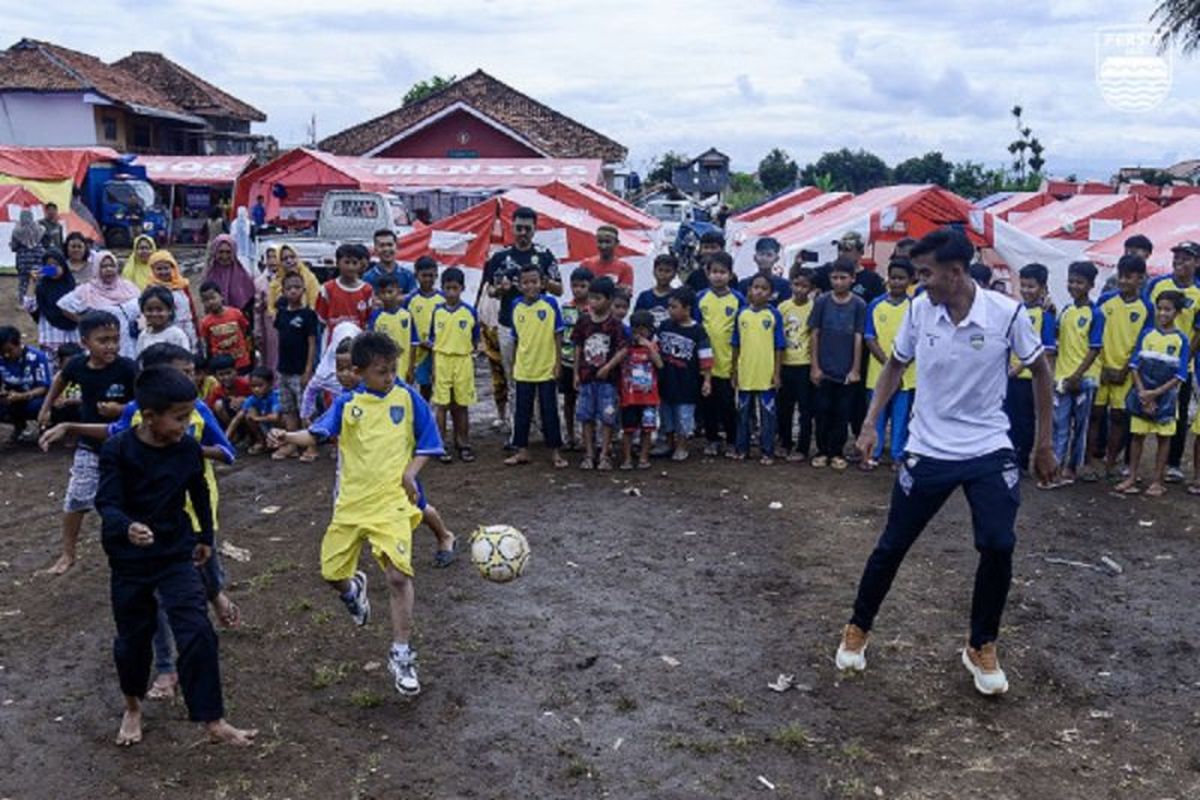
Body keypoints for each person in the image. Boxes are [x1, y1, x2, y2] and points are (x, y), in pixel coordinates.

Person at [836, 227, 1056, 697]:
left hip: (988, 448)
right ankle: (858, 626)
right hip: (929, 448)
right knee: (893, 544)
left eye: (925, 273)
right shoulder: (920, 310)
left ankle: (981, 645)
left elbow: (1040, 369)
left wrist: (1044, 444)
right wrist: (872, 423)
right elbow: (895, 363)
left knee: (998, 544)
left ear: (955, 273)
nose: (918, 283)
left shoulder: (1006, 314)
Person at [39, 343, 241, 699]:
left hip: (191, 515)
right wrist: (71, 425)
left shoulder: (194, 416)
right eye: (179, 372)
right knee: (153, 607)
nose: (188, 378)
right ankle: (165, 669)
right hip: (141, 533)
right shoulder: (134, 419)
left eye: (190, 372)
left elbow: (227, 452)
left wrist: (185, 450)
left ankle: (217, 597)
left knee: (203, 576)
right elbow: (113, 442)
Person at [270, 331, 443, 696]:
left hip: (392, 504)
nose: (390, 377)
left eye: (393, 369)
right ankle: (352, 590)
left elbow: (429, 443)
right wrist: (288, 437)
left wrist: (410, 472)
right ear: (359, 371)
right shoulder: (348, 405)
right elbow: (315, 435)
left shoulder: (408, 398)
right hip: (350, 506)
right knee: (331, 574)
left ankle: (402, 654)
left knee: (398, 577)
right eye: (382, 371)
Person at [93, 364, 256, 746]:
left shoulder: (185, 448)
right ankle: (132, 706)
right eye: (179, 418)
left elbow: (198, 490)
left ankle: (213, 720)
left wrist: (204, 536)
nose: (186, 425)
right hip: (129, 560)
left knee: (198, 631)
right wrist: (127, 526)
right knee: (133, 640)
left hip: (173, 551)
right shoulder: (118, 449)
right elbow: (107, 502)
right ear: (149, 417)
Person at [36, 311, 138, 575]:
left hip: (127, 446)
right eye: (103, 340)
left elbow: (144, 403)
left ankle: (136, 547)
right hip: (90, 446)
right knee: (76, 499)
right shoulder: (77, 366)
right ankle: (68, 554)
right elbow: (60, 378)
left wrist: (122, 409)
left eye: (115, 339)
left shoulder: (127, 367)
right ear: (85, 342)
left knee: (132, 500)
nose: (111, 346)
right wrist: (46, 407)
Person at [480, 206, 563, 430]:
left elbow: (559, 289)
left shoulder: (545, 256)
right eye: (519, 228)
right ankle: (518, 427)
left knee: (542, 375)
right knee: (514, 376)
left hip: (540, 328)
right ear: (512, 228)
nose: (523, 233)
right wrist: (501, 290)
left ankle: (542, 422)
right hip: (508, 324)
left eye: (528, 228)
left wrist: (543, 282)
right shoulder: (500, 257)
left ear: (535, 229)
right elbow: (489, 291)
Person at [1114, 291, 1189, 497]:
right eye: (1160, 308)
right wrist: (1142, 392)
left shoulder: (1181, 340)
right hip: (1142, 394)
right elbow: (1135, 365)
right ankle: (1131, 476)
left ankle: (1157, 480)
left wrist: (1155, 393)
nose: (1163, 313)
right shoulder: (1147, 334)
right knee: (1137, 436)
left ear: (1177, 312)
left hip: (1165, 398)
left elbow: (1180, 375)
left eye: (1168, 309)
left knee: (1163, 438)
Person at [1088, 255, 1151, 480]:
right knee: (1094, 415)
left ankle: (1111, 463)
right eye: (1121, 276)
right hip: (1100, 369)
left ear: (1141, 279)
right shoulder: (1105, 301)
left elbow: (1144, 342)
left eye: (1129, 277)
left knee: (1118, 417)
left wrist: (1126, 369)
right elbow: (1093, 334)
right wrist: (1101, 366)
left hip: (1125, 373)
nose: (1124, 281)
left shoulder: (1146, 308)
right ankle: (1089, 461)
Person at [1144, 241, 1200, 482]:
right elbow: (1147, 317)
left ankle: (1173, 464)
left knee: (1177, 413)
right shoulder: (1158, 284)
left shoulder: (1199, 292)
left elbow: (1198, 332)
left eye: (1186, 257)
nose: (1179, 261)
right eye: (1176, 256)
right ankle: (1130, 464)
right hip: (1152, 360)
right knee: (1140, 410)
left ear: (1197, 262)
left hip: (1180, 365)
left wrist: (1185, 359)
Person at [504, 263, 567, 468]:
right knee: (522, 411)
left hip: (546, 368)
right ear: (519, 285)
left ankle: (555, 452)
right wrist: (514, 364)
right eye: (526, 282)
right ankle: (522, 450)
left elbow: (558, 335)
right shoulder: (515, 305)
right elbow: (515, 338)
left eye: (534, 282)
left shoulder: (550, 304)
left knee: (549, 411)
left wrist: (557, 363)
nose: (530, 286)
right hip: (524, 368)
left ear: (542, 284)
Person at [1048, 261, 1103, 487]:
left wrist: (1078, 375)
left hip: (1084, 379)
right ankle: (1056, 467)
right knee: (1059, 424)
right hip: (1062, 377)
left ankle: (1072, 467)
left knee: (1081, 426)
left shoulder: (1096, 313)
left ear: (1090, 285)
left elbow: (1094, 348)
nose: (1074, 286)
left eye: (1079, 282)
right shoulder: (1066, 311)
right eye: (1071, 281)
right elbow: (1058, 337)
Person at [809, 260, 866, 470]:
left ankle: (837, 451)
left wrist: (855, 369)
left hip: (846, 370)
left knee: (843, 413)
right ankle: (822, 450)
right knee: (822, 410)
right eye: (835, 277)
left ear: (853, 279)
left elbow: (859, 337)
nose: (839, 282)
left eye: (843, 278)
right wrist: (815, 366)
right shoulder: (822, 301)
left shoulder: (859, 304)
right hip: (824, 368)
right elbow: (815, 333)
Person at [862, 258, 916, 470]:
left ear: (910, 280)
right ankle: (871, 454)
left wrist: (901, 366)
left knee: (901, 417)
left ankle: (897, 455)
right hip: (878, 373)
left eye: (901, 278)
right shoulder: (875, 305)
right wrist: (890, 364)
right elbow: (869, 337)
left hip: (908, 375)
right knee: (876, 415)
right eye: (893, 278)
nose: (896, 282)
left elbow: (917, 340)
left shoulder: (914, 306)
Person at [1005, 264, 1057, 474]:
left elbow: (1046, 349)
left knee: (1026, 420)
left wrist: (1019, 368)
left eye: (1031, 286)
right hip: (1011, 374)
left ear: (1042, 288)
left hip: (1029, 377)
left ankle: (1023, 459)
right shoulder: (1015, 310)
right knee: (1010, 417)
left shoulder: (1046, 315)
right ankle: (1011, 455)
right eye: (1023, 285)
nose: (1026, 290)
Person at [572, 276, 627, 470]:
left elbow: (623, 349)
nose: (593, 302)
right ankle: (588, 453)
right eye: (591, 298)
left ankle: (604, 453)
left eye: (598, 298)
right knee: (586, 416)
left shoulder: (615, 325)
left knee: (607, 417)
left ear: (609, 300)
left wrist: (608, 367)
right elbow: (578, 346)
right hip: (587, 377)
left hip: (608, 380)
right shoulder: (583, 321)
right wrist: (576, 373)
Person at [731, 274, 785, 464]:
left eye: (764, 288)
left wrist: (777, 373)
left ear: (770, 293)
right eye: (756, 287)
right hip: (746, 372)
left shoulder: (774, 314)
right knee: (743, 413)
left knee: (768, 415)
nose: (759, 291)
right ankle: (741, 448)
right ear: (749, 290)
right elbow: (736, 345)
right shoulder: (742, 314)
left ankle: (767, 451)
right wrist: (734, 371)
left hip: (766, 374)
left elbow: (779, 346)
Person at [696, 252, 745, 456]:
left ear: (731, 274)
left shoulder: (737, 299)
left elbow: (742, 330)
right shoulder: (700, 298)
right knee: (708, 403)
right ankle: (712, 439)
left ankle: (733, 440)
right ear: (708, 274)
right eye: (714, 272)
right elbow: (696, 327)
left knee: (727, 403)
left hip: (727, 361)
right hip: (705, 362)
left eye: (722, 272)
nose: (718, 276)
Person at [655, 287, 711, 462]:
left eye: (674, 307)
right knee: (667, 415)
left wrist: (707, 380)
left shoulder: (698, 331)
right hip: (666, 380)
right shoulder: (664, 326)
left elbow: (706, 358)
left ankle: (682, 445)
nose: (670, 310)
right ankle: (668, 443)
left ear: (687, 308)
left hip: (687, 383)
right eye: (669, 306)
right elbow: (654, 348)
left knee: (684, 417)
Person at [429, 267, 479, 463]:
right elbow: (433, 340)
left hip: (463, 360)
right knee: (441, 405)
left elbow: (475, 339)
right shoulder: (437, 312)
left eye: (455, 288)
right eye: (447, 288)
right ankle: (440, 444)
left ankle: (463, 443)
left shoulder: (469, 312)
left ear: (462, 288)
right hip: (442, 360)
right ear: (441, 288)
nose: (451, 293)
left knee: (461, 404)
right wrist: (434, 366)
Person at [57, 250, 141, 359]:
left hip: (129, 342)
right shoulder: (87, 290)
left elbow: (142, 307)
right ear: (96, 268)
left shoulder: (128, 287)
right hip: (101, 343)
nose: (109, 269)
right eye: (104, 266)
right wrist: (83, 321)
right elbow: (64, 305)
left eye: (112, 266)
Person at [271, 273, 318, 460]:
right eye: (289, 288)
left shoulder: (308, 315)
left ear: (303, 290)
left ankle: (311, 447)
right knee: (288, 409)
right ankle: (291, 444)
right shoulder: (281, 313)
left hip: (300, 371)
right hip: (283, 369)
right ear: (283, 291)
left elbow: (312, 343)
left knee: (305, 411)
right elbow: (279, 340)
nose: (293, 291)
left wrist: (308, 370)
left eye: (297, 287)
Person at [777, 265, 815, 462]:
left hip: (805, 364)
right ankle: (784, 442)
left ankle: (802, 447)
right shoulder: (783, 307)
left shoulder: (814, 308)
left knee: (805, 409)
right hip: (785, 364)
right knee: (784, 407)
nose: (799, 289)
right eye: (796, 284)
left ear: (811, 288)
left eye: (804, 285)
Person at [619, 310, 663, 470]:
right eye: (635, 329)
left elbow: (660, 364)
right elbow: (617, 360)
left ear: (650, 330)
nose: (639, 333)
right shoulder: (626, 347)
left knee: (647, 429)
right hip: (629, 397)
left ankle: (644, 457)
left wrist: (649, 347)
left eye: (643, 329)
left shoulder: (653, 347)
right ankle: (627, 459)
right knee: (628, 429)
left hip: (649, 397)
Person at [560, 267, 593, 451]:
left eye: (582, 286)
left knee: (588, 400)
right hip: (568, 360)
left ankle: (586, 436)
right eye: (574, 286)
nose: (578, 289)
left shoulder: (594, 310)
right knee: (569, 399)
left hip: (588, 362)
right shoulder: (566, 308)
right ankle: (570, 434)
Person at [0, 326, 52, 443]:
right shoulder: (1, 359)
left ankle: (45, 427)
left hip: (34, 398)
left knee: (41, 405)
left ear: (19, 344)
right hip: (12, 399)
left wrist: (22, 396)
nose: (6, 355)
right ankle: (19, 427)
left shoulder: (37, 357)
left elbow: (44, 387)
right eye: (2, 352)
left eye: (9, 350)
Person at [24, 247, 79, 352]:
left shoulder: (74, 286)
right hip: (51, 340)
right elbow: (29, 306)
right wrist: (32, 283)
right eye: (49, 265)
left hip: (74, 340)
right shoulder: (41, 288)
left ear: (63, 265)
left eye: (56, 264)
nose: (53, 268)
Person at [316, 244, 374, 344]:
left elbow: (368, 319)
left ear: (360, 265)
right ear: (338, 263)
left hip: (358, 344)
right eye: (346, 262)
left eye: (354, 263)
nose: (350, 267)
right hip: (332, 342)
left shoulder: (367, 290)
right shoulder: (327, 289)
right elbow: (322, 320)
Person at [405, 256, 443, 402]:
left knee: (439, 385)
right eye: (424, 275)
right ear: (416, 276)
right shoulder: (410, 300)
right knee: (422, 385)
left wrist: (435, 342)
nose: (428, 279)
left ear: (436, 276)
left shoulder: (443, 299)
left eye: (431, 276)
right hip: (417, 352)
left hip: (438, 350)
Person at [367, 273, 418, 383]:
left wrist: (411, 368)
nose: (387, 296)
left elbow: (413, 343)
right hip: (382, 368)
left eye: (390, 292)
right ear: (378, 295)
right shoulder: (376, 317)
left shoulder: (407, 315)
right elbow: (370, 345)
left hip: (403, 367)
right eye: (383, 293)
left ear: (398, 291)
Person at [147, 250, 200, 348]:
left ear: (173, 268)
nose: (163, 272)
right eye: (159, 269)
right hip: (165, 332)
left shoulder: (182, 285)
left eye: (166, 268)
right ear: (152, 270)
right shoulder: (151, 289)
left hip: (187, 329)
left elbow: (191, 309)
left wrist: (197, 331)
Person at [199, 283, 252, 372]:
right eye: (206, 300)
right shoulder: (205, 322)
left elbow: (245, 331)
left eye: (213, 298)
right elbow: (207, 343)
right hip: (221, 366)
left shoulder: (236, 313)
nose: (210, 302)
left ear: (221, 296)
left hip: (241, 361)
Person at [201, 234, 256, 320]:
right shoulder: (209, 276)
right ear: (215, 252)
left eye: (228, 252)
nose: (224, 256)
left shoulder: (243, 276)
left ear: (234, 253)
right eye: (221, 252)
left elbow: (249, 304)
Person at [226, 366, 280, 454]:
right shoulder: (252, 399)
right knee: (248, 414)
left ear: (270, 384)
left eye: (260, 385)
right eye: (253, 386)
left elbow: (275, 417)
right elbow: (237, 418)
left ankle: (281, 443)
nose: (256, 389)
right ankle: (262, 441)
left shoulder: (275, 396)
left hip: (278, 427)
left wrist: (257, 419)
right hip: (265, 426)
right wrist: (225, 439)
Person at [137, 286, 191, 355]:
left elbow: (185, 360)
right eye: (149, 310)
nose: (154, 314)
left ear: (170, 310)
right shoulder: (143, 336)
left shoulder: (177, 335)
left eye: (159, 309)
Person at [736, 237, 790, 306]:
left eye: (769, 255)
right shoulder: (744, 284)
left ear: (776, 259)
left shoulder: (784, 286)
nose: (764, 258)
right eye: (761, 254)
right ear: (755, 257)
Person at [580, 225, 634, 289]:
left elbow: (625, 294)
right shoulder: (586, 265)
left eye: (607, 242)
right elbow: (580, 289)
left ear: (616, 243)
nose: (603, 246)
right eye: (600, 242)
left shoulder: (625, 268)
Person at [364, 229, 417, 293]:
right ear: (375, 249)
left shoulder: (407, 275)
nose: (386, 249)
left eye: (390, 245)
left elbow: (414, 298)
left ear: (396, 247)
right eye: (382, 245)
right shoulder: (368, 277)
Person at [635, 253, 679, 330]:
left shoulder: (678, 297)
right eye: (660, 270)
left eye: (667, 271)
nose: (663, 274)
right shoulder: (644, 297)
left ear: (675, 274)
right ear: (654, 272)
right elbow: (636, 322)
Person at [206, 354, 251, 428]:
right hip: (231, 419)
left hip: (247, 415)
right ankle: (234, 431)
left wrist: (244, 400)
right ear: (216, 376)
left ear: (235, 371)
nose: (226, 377)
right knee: (218, 405)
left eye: (228, 373)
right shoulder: (217, 390)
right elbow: (210, 409)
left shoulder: (245, 384)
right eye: (221, 374)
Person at [10, 207, 44, 303]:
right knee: (37, 277)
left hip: (23, 259)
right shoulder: (39, 228)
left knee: (23, 281)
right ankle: (37, 299)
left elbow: (14, 247)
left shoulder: (17, 231)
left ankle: (23, 301)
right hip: (38, 256)